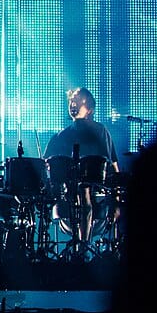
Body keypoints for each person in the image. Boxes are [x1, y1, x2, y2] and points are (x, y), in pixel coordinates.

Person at [43, 87, 119, 255]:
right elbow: (45, 163)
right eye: (71, 101)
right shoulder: (60, 136)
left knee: (84, 189)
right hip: (66, 192)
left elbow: (112, 165)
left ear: (90, 109)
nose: (73, 104)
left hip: (96, 191)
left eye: (78, 101)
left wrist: (116, 198)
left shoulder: (100, 131)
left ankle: (82, 246)